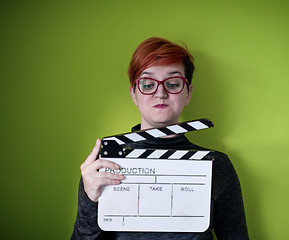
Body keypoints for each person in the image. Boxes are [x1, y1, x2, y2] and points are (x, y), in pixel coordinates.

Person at [71, 37, 249, 239]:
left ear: (188, 93)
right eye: (147, 84)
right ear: (134, 94)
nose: (161, 93)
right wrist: (90, 199)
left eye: (173, 84)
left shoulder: (216, 164)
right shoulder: (103, 165)